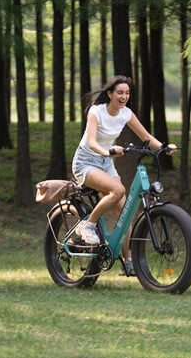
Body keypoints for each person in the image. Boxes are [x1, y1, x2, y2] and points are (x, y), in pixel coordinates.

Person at [71, 75, 176, 275]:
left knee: (126, 212)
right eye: (120, 92)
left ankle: (128, 261)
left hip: (105, 163)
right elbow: (92, 142)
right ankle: (88, 225)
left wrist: (164, 147)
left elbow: (146, 137)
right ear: (109, 94)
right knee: (118, 190)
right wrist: (108, 151)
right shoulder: (96, 112)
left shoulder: (126, 114)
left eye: (127, 93)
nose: (124, 96)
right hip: (85, 162)